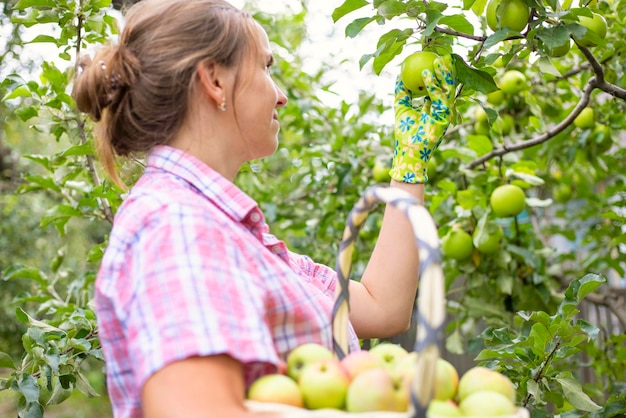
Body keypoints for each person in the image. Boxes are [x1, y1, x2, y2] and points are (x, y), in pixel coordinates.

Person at [72, 0, 457, 416]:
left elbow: (383, 308)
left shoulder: (227, 229)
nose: (282, 97)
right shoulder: (178, 224)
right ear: (215, 80)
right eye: (266, 67)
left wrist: (409, 162)